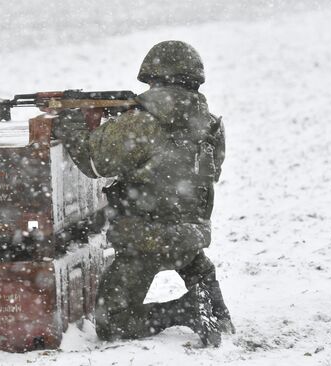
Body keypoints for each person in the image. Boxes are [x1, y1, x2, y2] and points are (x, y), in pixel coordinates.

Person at [52, 40, 234, 347]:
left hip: (144, 240)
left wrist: (70, 123)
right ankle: (208, 291)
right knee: (183, 244)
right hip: (191, 234)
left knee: (113, 323)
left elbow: (93, 162)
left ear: (153, 76)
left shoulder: (142, 122)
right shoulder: (212, 125)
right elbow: (207, 173)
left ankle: (187, 309)